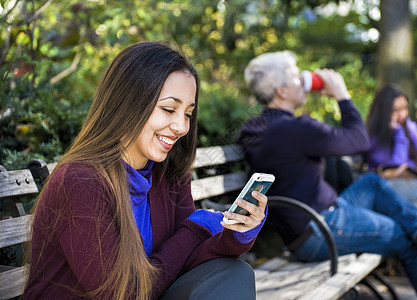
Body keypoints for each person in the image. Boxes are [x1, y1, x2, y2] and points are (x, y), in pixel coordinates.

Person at [23, 41, 268, 300]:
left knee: (235, 272)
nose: (181, 127)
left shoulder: (168, 173)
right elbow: (121, 293)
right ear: (128, 103)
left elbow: (185, 261)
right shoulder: (80, 181)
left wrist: (239, 232)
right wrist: (195, 228)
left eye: (188, 114)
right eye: (169, 109)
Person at [235, 50, 417, 300]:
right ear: (281, 90)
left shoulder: (258, 127)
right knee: (405, 237)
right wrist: (341, 94)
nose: (304, 79)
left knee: (371, 182)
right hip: (320, 228)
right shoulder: (295, 129)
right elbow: (359, 140)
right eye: (296, 76)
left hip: (312, 223)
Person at [365, 84, 417, 209]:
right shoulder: (373, 138)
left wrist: (410, 128)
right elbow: (396, 165)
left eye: (405, 108)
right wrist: (399, 133)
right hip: (406, 187)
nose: (402, 114)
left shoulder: (406, 126)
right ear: (384, 112)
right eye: (396, 110)